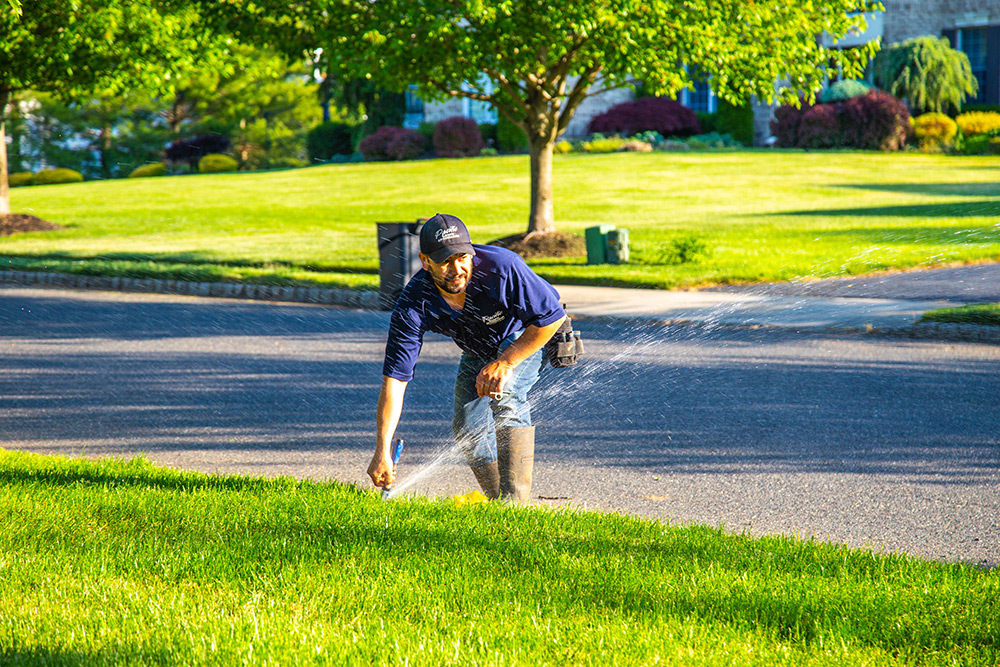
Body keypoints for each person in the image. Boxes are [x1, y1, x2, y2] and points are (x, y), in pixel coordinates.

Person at [367, 213, 566, 502]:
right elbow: (395, 381)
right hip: (479, 348)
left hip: (524, 335)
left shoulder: (502, 266)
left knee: (505, 393)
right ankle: (499, 501)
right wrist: (382, 450)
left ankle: (515, 506)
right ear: (425, 262)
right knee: (467, 428)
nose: (457, 268)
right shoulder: (413, 304)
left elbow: (552, 318)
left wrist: (506, 361)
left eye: (462, 256)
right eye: (445, 261)